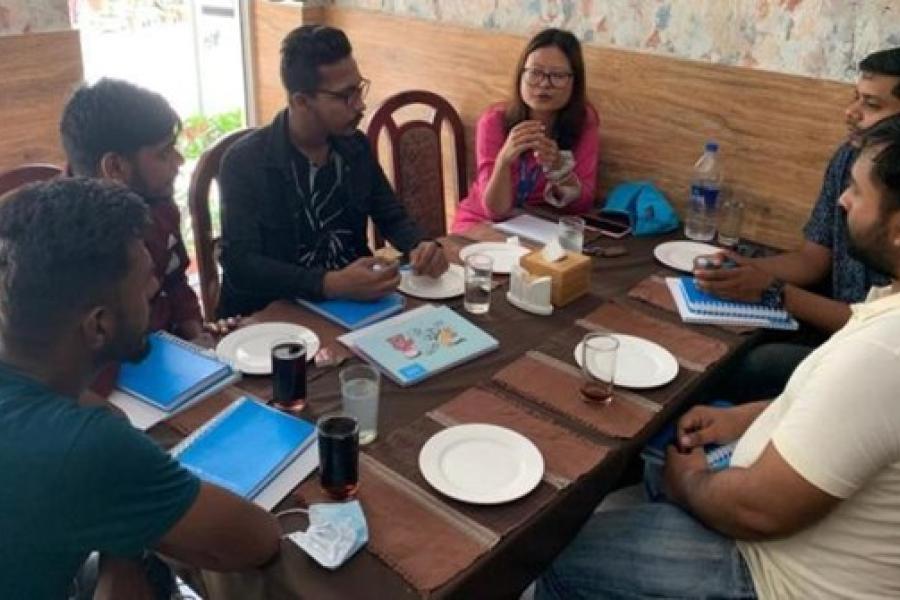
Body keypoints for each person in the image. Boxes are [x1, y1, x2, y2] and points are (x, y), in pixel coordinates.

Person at [536, 119, 900, 599]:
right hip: (789, 534)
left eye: (856, 190)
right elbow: (850, 417)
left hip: (772, 575)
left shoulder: (883, 352)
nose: (843, 200)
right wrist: (745, 421)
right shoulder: (885, 314)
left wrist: (692, 484)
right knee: (658, 454)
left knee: (556, 555)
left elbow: (759, 512)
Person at [0, 179, 281, 599]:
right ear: (99, 325)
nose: (156, 290)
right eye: (145, 281)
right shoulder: (86, 448)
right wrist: (124, 533)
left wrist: (120, 529)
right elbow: (257, 541)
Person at [695, 48, 900, 400]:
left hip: (872, 352)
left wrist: (772, 290)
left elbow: (877, 329)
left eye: (871, 105)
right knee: (713, 340)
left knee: (751, 366)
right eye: (854, 98)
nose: (850, 113)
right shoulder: (849, 158)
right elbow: (812, 259)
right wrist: (745, 269)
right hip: (833, 327)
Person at [217, 25, 447, 318]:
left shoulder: (354, 146)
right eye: (345, 96)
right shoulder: (245, 162)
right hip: (277, 316)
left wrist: (422, 246)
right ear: (301, 101)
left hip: (357, 304)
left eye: (359, 89)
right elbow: (242, 264)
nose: (360, 105)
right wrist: (331, 283)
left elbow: (391, 215)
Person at [60, 78, 235, 344]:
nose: (179, 161)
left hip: (172, 352)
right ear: (115, 167)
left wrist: (197, 338)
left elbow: (176, 281)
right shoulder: (63, 244)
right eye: (163, 153)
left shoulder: (159, 204)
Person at [451, 28, 599, 233]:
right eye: (535, 73)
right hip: (482, 223)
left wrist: (560, 171)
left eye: (557, 76)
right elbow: (495, 212)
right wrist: (503, 161)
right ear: (521, 76)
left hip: (540, 227)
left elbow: (583, 205)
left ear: (575, 82)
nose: (544, 85)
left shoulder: (584, 121)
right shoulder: (494, 121)